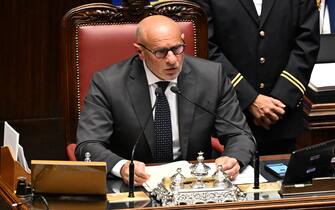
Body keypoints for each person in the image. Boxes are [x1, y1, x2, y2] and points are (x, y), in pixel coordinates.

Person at [75, 15, 255, 186]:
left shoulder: (212, 77)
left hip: (194, 184)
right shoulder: (108, 83)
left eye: (177, 49)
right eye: (161, 52)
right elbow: (88, 144)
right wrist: (121, 167)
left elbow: (239, 134)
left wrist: (234, 158)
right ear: (140, 52)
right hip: (136, 185)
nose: (172, 60)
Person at [192, 0, 320, 155]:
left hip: (281, 117)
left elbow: (307, 44)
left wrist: (279, 102)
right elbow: (205, 47)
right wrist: (249, 98)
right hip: (230, 117)